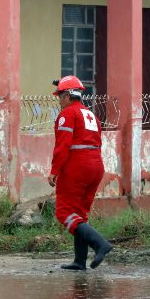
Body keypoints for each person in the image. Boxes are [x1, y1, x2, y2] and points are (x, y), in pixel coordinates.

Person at [48, 75, 112, 271]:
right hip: (95, 166)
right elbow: (98, 142)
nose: (59, 100)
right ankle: (79, 261)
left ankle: (100, 244)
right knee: (79, 215)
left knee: (64, 212)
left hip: (77, 166)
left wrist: (54, 171)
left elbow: (63, 145)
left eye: (60, 96)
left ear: (68, 96)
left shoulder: (67, 114)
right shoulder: (91, 115)